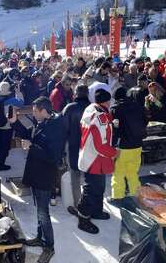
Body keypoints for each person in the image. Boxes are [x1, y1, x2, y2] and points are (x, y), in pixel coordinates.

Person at [9, 97, 64, 263]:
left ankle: (49, 246)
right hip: (35, 172)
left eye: (34, 111)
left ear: (43, 110)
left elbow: (53, 157)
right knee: (39, 209)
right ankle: (40, 238)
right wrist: (14, 123)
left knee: (43, 212)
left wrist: (32, 147)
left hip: (44, 175)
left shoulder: (56, 127)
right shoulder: (43, 122)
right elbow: (30, 136)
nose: (32, 113)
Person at [77, 89, 119, 234]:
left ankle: (96, 211)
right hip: (94, 159)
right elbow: (100, 145)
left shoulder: (90, 108)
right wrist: (114, 152)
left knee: (99, 187)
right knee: (91, 189)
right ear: (106, 102)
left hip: (91, 156)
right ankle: (83, 219)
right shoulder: (99, 117)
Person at [110, 88, 145, 204]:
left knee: (118, 173)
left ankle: (117, 197)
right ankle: (135, 194)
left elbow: (115, 130)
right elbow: (145, 120)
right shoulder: (138, 106)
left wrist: (112, 145)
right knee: (132, 172)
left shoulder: (116, 109)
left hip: (123, 146)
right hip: (138, 144)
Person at [61, 85, 90, 216]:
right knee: (90, 177)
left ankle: (78, 206)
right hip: (90, 147)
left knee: (75, 177)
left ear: (75, 93)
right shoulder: (93, 107)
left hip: (74, 146)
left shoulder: (70, 108)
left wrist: (61, 148)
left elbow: (63, 129)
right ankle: (90, 204)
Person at [0, 81, 24, 171]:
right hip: (7, 126)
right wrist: (18, 92)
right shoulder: (11, 100)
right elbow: (21, 103)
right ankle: (1, 165)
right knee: (4, 146)